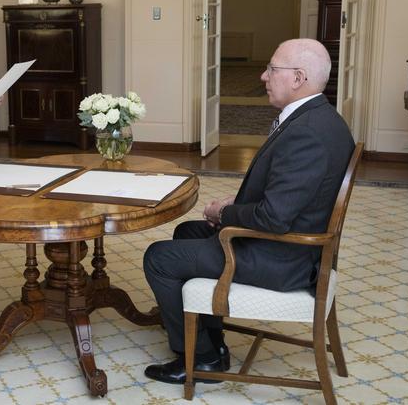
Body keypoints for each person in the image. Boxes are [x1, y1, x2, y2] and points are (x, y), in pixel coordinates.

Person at [142, 38, 355, 385]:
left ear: (298, 78)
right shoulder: (319, 118)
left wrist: (226, 214)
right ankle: (215, 342)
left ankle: (202, 359)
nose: (263, 75)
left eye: (272, 69)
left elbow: (273, 218)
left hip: (283, 258)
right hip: (289, 245)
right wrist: (232, 207)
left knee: (158, 258)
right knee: (186, 233)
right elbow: (285, 198)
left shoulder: (308, 135)